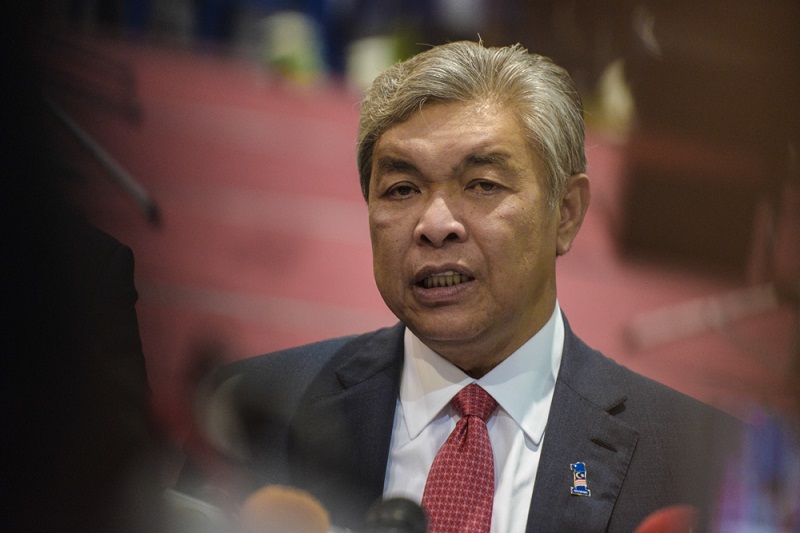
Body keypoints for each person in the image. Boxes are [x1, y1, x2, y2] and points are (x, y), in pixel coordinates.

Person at [177, 41, 742, 532]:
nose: (434, 223)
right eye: (401, 189)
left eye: (482, 184)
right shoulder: (251, 414)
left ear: (566, 213)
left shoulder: (701, 462)